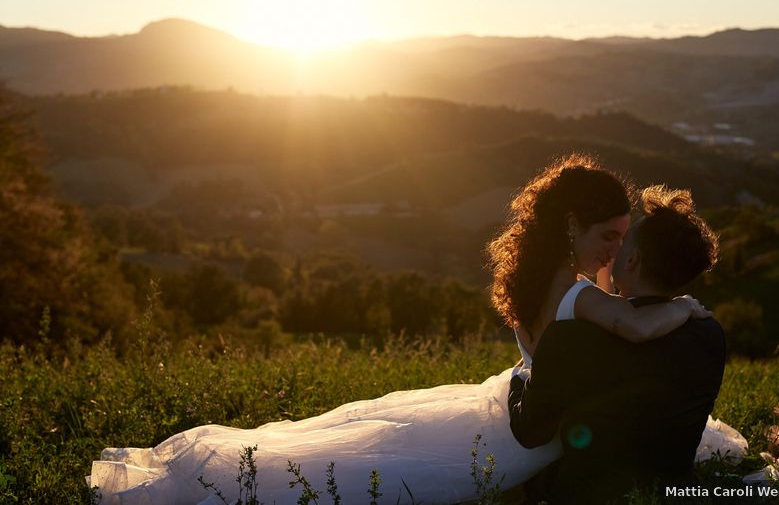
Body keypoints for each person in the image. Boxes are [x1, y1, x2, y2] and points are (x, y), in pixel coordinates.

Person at [88, 155, 721, 504]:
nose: (614, 252)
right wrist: (684, 308)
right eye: (606, 237)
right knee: (381, 474)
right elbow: (634, 330)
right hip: (522, 426)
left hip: (509, 398)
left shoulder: (542, 282)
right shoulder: (581, 295)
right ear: (572, 229)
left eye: (620, 239)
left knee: (369, 443)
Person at [508, 184, 746, 504]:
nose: (615, 248)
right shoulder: (710, 334)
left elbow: (530, 432)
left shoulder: (571, 337)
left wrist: (517, 381)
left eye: (624, 241)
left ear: (632, 259)